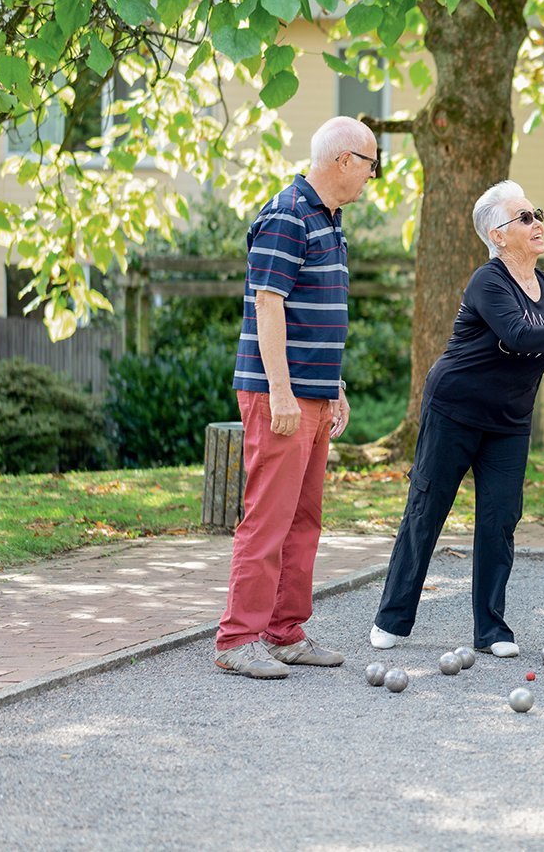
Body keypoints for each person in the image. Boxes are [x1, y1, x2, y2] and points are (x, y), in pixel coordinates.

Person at [370, 180, 544, 657]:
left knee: (500, 518)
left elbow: (539, 347)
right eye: (524, 217)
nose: (537, 224)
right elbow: (518, 333)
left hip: (510, 418)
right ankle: (392, 618)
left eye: (537, 213)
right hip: (455, 408)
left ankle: (491, 631)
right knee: (427, 510)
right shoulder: (486, 280)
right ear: (498, 233)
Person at [214, 116, 378, 679]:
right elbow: (269, 303)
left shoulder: (329, 221)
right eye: (370, 165)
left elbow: (319, 313)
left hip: (313, 395)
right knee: (268, 518)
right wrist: (282, 391)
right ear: (343, 160)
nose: (371, 177)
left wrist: (334, 386)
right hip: (276, 395)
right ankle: (237, 639)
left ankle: (284, 632)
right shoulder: (288, 213)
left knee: (304, 518)